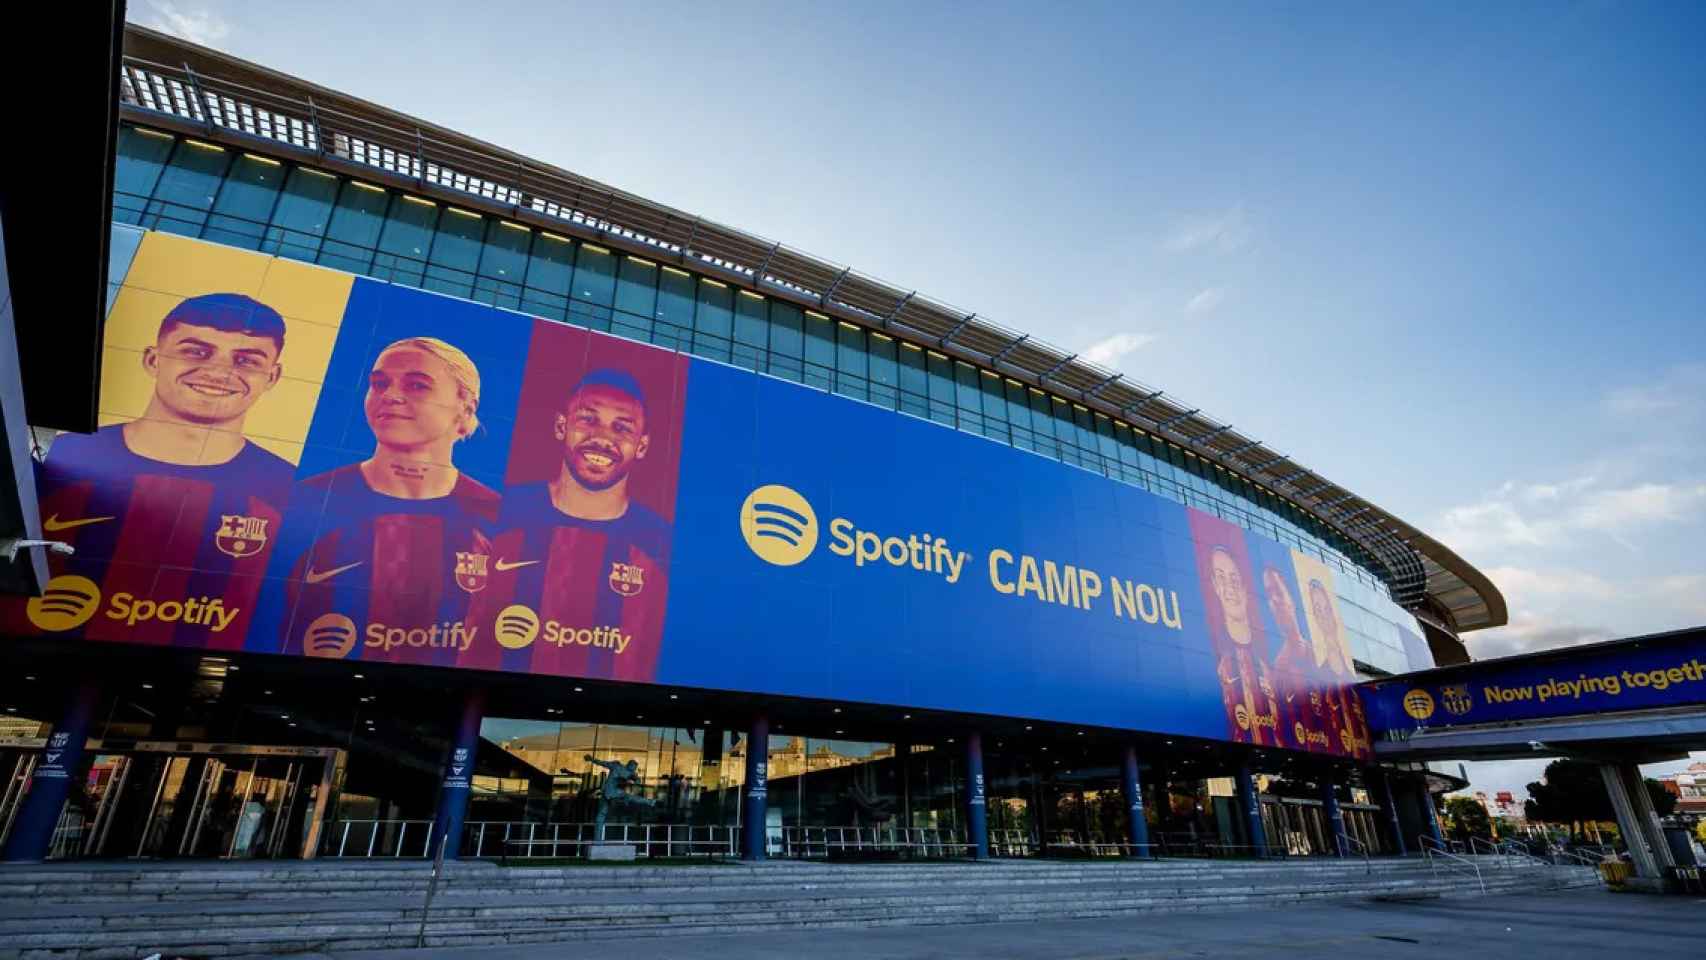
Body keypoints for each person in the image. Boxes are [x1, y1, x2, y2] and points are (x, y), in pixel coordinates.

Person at [24, 293, 293, 646]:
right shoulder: (57, 452)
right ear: (153, 360)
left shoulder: (294, 490)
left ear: (271, 377)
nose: (218, 372)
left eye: (246, 360)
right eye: (196, 351)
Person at [283, 337, 498, 665]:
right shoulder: (307, 499)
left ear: (465, 408)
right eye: (379, 384)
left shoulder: (498, 517)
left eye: (417, 385)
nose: (391, 396)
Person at [467, 369, 671, 680]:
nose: (603, 438)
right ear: (562, 426)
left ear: (641, 446)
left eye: (621, 428)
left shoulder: (659, 541)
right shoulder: (498, 514)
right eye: (588, 419)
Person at [1208, 546, 1281, 746]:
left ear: (1244, 585)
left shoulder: (1269, 659)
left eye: (1234, 578)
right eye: (1221, 578)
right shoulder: (1215, 657)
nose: (1229, 586)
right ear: (1214, 585)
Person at [1261, 566, 1324, 753]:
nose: (1274, 601)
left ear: (1291, 597)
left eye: (1278, 592)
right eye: (1268, 596)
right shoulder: (1277, 667)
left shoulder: (1318, 652)